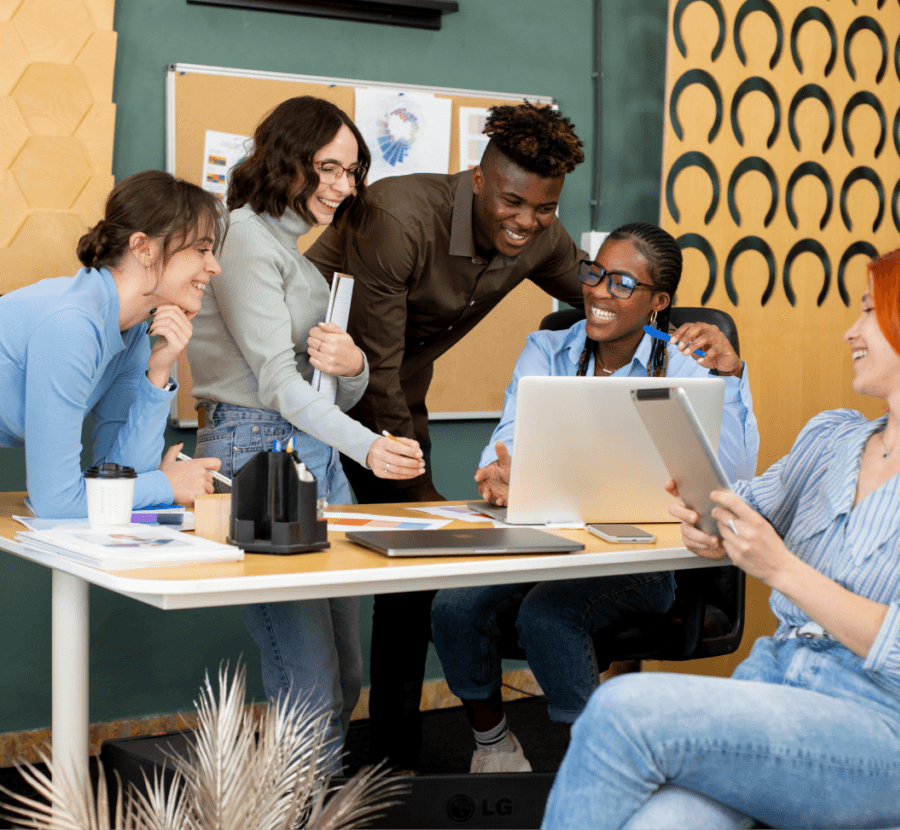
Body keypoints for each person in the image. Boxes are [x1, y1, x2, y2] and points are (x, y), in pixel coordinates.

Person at [541, 244, 900, 830]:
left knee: (621, 707)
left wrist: (782, 568)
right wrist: (706, 522)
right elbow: (744, 507)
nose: (851, 330)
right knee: (663, 822)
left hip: (880, 730)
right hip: (773, 685)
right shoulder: (833, 437)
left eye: (869, 311)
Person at [305, 102, 588, 769]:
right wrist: (425, 501)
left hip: (394, 397)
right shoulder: (401, 215)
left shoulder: (541, 233)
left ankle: (393, 760)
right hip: (312, 392)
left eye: (544, 210)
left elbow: (609, 297)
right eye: (514, 202)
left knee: (412, 577)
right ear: (480, 179)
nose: (527, 222)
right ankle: (318, 763)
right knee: (316, 576)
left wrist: (689, 327)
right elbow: (371, 358)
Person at [431, 222, 760, 773]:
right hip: (542, 545)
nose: (600, 291)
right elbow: (509, 436)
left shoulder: (684, 364)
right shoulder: (549, 347)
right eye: (596, 273)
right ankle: (494, 749)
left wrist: (730, 378)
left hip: (641, 558)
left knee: (547, 615)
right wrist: (501, 471)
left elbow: (728, 476)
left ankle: (588, 772)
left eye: (623, 283)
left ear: (660, 302)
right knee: (454, 605)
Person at [188, 96, 425, 755]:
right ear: (286, 159)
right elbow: (278, 385)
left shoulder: (297, 254)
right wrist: (372, 449)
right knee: (311, 688)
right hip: (256, 454)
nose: (343, 187)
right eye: (328, 168)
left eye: (352, 172)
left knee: (345, 680)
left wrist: (354, 367)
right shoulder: (241, 240)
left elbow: (327, 391)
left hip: (312, 454)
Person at [0, 170, 225, 519]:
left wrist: (159, 371)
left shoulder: (131, 332)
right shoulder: (72, 325)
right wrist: (165, 484)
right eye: (202, 249)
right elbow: (56, 502)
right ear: (143, 248)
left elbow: (116, 472)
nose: (214, 267)